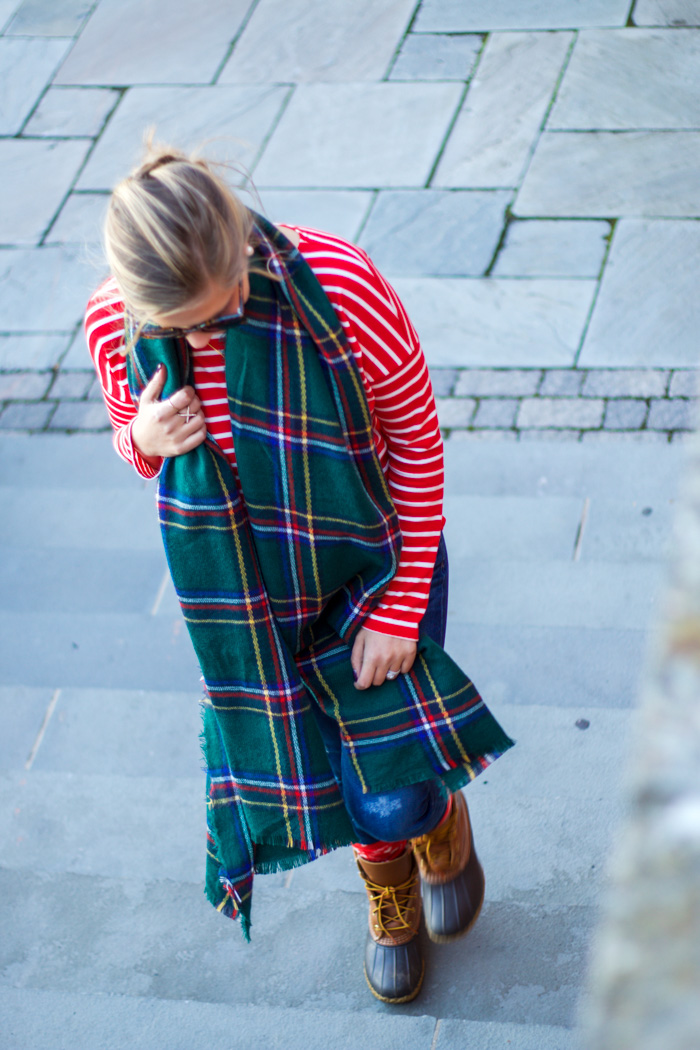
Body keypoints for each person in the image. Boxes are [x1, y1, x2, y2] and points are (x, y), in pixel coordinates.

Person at [86, 141, 513, 1005]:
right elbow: (135, 441)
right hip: (248, 599)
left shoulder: (340, 285)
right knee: (330, 774)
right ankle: (391, 897)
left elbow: (417, 443)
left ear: (239, 236)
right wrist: (144, 439)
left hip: (372, 566)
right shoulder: (112, 322)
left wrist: (399, 608)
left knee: (389, 793)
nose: (217, 327)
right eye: (190, 325)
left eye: (227, 301)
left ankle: (434, 821)